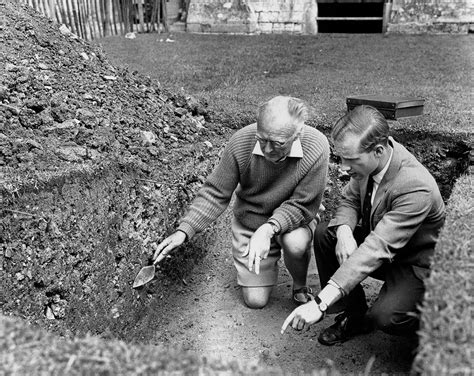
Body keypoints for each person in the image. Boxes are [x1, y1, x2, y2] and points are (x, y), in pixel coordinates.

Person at [281, 105, 446, 345]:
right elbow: (350, 199)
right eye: (340, 157)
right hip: (385, 249)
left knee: (387, 316)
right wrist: (345, 231)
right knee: (326, 234)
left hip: (415, 264)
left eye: (350, 159)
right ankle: (355, 315)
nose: (344, 167)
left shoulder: (415, 186)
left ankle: (433, 327)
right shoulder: (374, 161)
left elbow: (376, 248)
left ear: (378, 150)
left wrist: (320, 302)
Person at [153, 96, 330, 309]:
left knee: (295, 243)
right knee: (255, 301)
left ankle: (299, 285)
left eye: (277, 143)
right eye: (262, 139)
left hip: (295, 219)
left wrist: (269, 228)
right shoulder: (241, 142)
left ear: (298, 133)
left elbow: (303, 204)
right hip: (252, 221)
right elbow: (216, 192)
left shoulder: (317, 145)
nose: (268, 149)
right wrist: (185, 230)